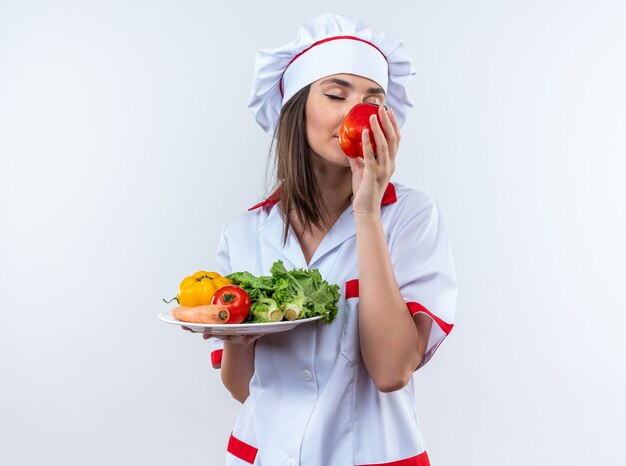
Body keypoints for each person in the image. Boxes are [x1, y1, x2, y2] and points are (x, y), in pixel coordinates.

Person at [199, 13, 457, 466]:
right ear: (296, 109)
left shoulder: (412, 218)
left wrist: (367, 213)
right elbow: (245, 389)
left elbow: (392, 371)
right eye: (336, 94)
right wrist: (237, 338)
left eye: (372, 100)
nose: (354, 112)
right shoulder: (244, 233)